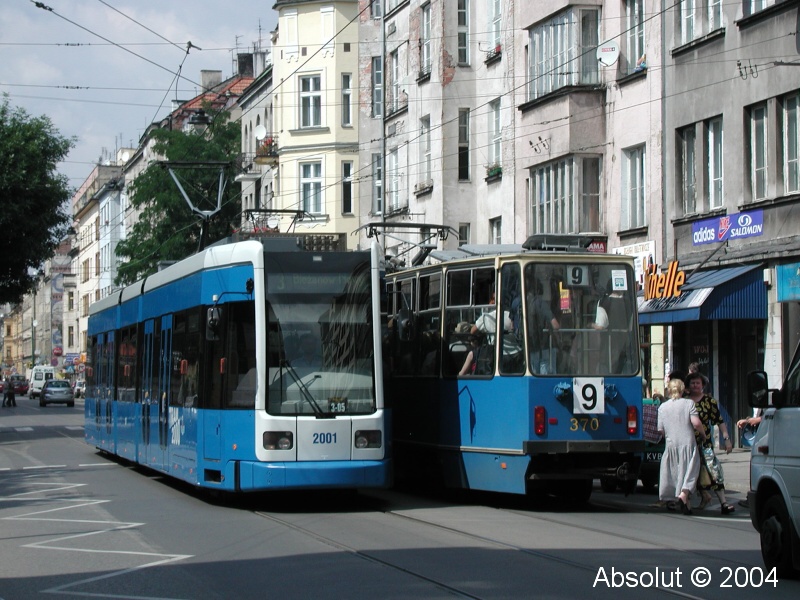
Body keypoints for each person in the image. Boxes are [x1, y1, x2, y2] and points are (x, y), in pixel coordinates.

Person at [685, 371, 735, 514]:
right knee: (688, 473)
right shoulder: (684, 401)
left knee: (714, 471)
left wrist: (726, 438)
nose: (695, 385)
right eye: (692, 383)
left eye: (698, 383)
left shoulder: (709, 401)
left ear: (703, 385)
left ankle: (724, 503)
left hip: (704, 443)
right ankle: (688, 503)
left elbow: (719, 421)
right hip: (688, 444)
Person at [658, 379, 706, 515]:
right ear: (683, 389)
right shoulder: (688, 403)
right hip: (687, 443)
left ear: (669, 390)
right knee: (690, 470)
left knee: (676, 472)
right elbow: (696, 423)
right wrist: (703, 434)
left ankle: (684, 503)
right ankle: (684, 494)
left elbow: (660, 430)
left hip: (671, 444)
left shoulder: (662, 407)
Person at [527, 280, 560, 374]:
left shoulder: (524, 304)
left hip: (531, 346)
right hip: (544, 345)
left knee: (533, 371)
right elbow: (555, 325)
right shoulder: (541, 304)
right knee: (546, 373)